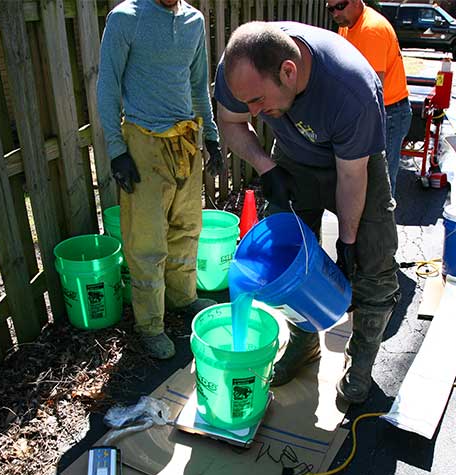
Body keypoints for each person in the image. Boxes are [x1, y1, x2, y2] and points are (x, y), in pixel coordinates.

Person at [214, 21, 400, 404]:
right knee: (283, 264)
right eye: (247, 101)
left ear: (288, 71)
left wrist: (348, 245)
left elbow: (351, 177)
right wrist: (268, 168)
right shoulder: (240, 69)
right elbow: (231, 122)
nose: (252, 110)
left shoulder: (350, 90)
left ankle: (361, 362)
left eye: (258, 102)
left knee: (374, 264)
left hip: (354, 163)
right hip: (293, 159)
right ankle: (304, 343)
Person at [97, 0, 226, 360]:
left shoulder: (193, 21)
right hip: (143, 141)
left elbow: (199, 83)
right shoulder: (126, 19)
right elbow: (108, 85)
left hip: (185, 138)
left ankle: (182, 297)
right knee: (147, 241)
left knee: (186, 228)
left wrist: (211, 136)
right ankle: (150, 325)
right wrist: (117, 149)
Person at [328, 0, 411, 198]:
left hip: (387, 113)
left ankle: (382, 229)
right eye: (330, 9)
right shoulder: (347, 26)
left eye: (340, 6)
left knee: (381, 186)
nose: (335, 14)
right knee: (363, 181)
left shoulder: (371, 30)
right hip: (370, 110)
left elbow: (373, 90)